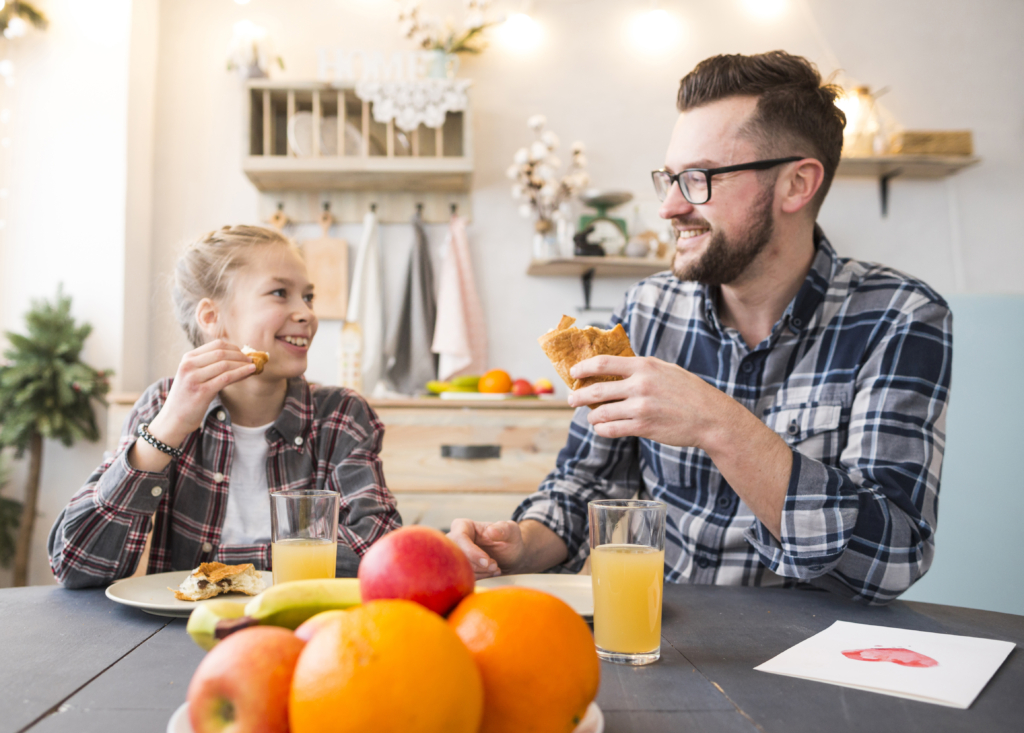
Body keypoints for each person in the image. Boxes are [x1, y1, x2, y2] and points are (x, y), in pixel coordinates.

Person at [449, 51, 952, 605]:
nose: (667, 208)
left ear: (796, 185)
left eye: (697, 179)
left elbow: (893, 559)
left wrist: (718, 423)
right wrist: (520, 544)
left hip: (821, 657)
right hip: (664, 637)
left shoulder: (900, 316)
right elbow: (588, 486)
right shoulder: (648, 309)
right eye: (668, 178)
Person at [48, 225, 400, 588]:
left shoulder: (341, 416)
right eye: (280, 293)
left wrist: (214, 568)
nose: (307, 313)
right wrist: (166, 431)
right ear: (212, 317)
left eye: (308, 297)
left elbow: (378, 553)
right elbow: (75, 565)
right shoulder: (160, 406)